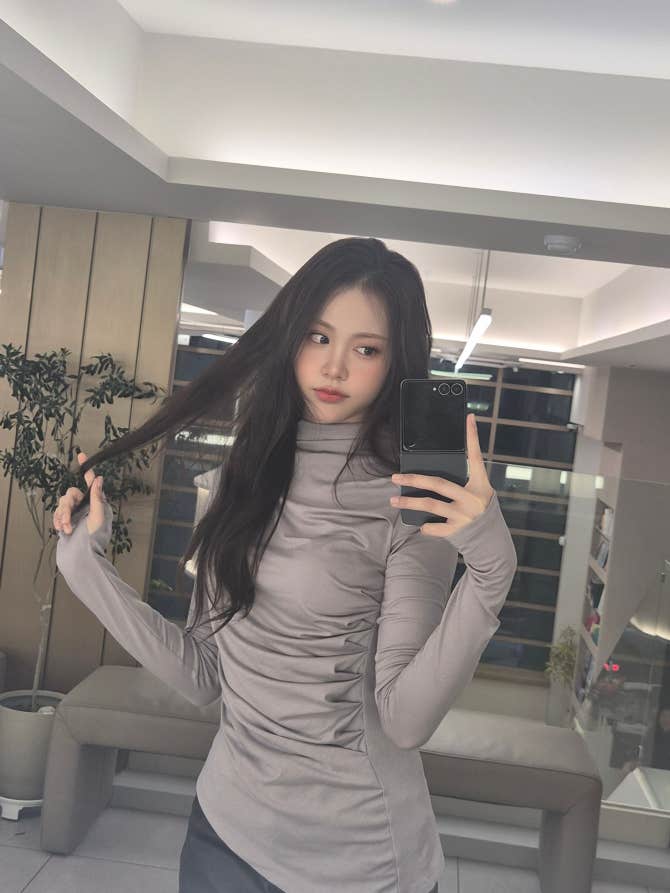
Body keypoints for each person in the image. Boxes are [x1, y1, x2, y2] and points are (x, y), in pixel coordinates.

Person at [53, 237, 518, 893]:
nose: (334, 366)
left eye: (366, 349)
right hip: (223, 835)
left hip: (359, 865)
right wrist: (84, 566)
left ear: (396, 363)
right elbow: (204, 674)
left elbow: (405, 719)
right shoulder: (237, 480)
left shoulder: (410, 504)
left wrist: (492, 569)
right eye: (317, 337)